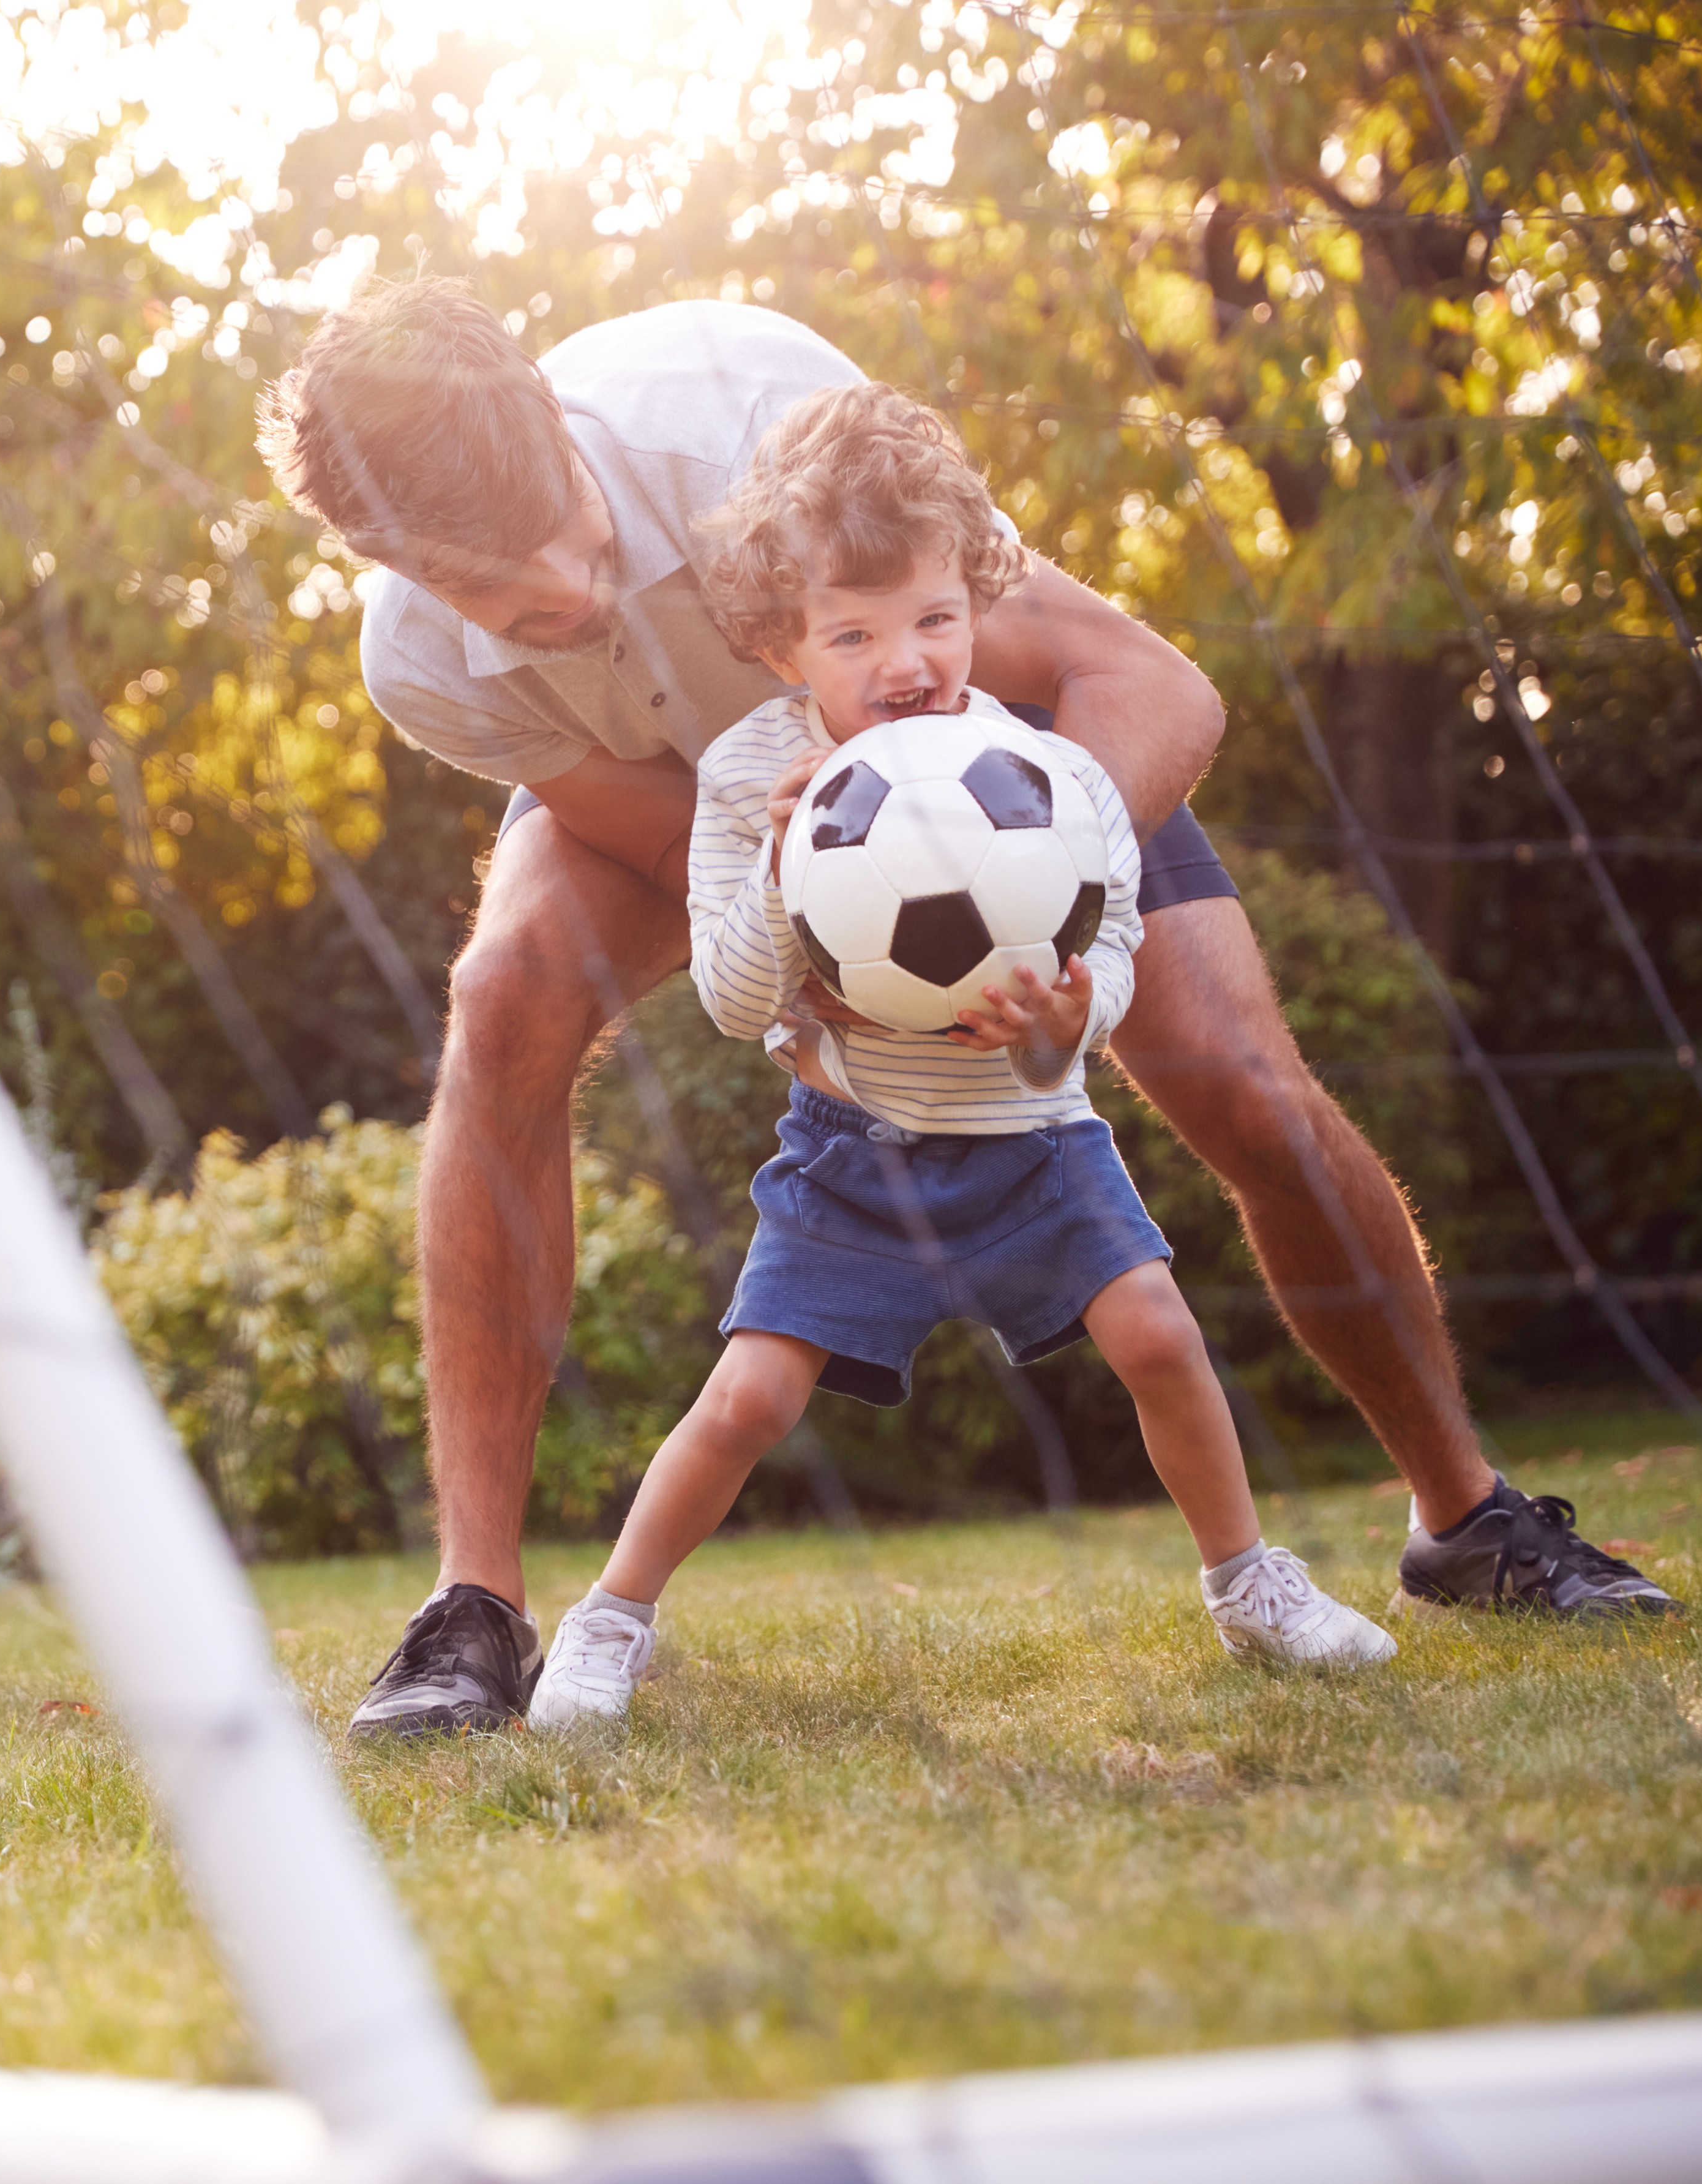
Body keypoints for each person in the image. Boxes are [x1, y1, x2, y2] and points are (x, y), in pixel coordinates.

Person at [252, 280, 1679, 1739]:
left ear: (554, 414)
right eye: (498, 584)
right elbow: (663, 832)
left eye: (567, 521)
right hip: (744, 804)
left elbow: (1147, 686)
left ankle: (1467, 1518)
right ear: (396, 565)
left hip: (989, 767)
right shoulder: (418, 666)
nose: (565, 584)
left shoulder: (746, 405)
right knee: (500, 994)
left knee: (1240, 1085)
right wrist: (830, 933)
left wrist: (1012, 892)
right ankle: (474, 1609)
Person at [527, 383, 1398, 1726]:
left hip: (1037, 1140)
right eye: (853, 633)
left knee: (1160, 1334)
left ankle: (1248, 1585)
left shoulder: (1047, 777)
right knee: (750, 1397)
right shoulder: (750, 775)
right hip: (853, 1153)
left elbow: (1114, 952)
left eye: (935, 618)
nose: (905, 661)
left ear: (978, 602)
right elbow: (732, 1000)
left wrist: (1069, 1023)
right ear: (778, 644)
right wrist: (782, 867)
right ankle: (611, 1617)